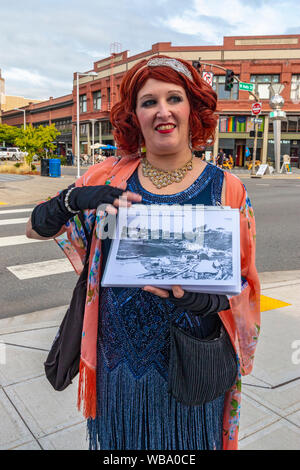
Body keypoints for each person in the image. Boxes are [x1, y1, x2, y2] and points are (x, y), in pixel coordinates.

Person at [26, 55, 260, 451]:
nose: (162, 111)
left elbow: (244, 285)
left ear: (193, 109)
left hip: (193, 365)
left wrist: (204, 300)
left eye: (174, 98)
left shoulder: (227, 189)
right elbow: (35, 227)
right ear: (134, 116)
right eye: (148, 102)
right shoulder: (106, 176)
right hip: (118, 363)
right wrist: (73, 197)